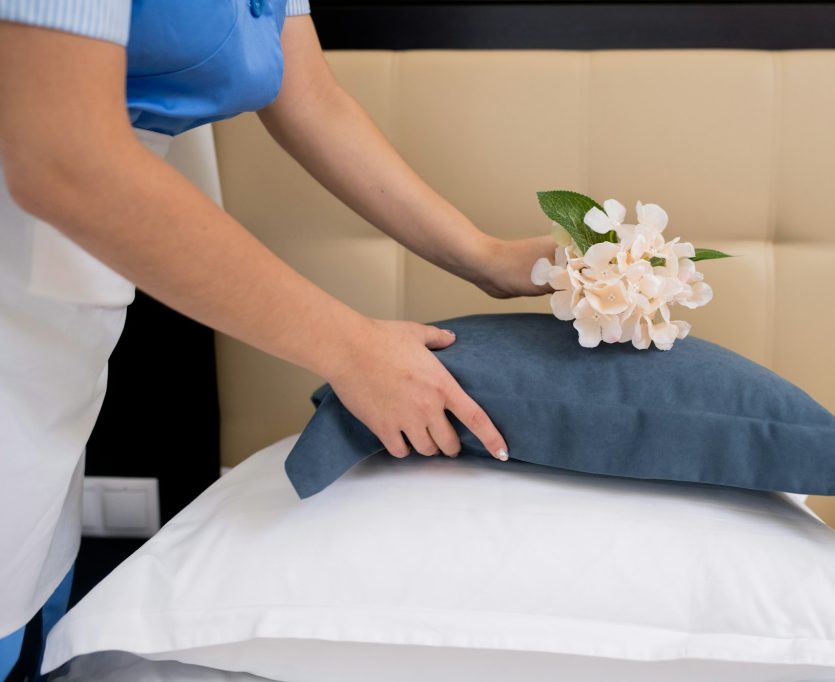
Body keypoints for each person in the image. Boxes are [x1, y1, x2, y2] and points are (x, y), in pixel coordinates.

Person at [0, 1, 553, 676]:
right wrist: (351, 348)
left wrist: (486, 256)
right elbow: (65, 156)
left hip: (64, 311)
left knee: (30, 578)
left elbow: (310, 94)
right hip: (27, 244)